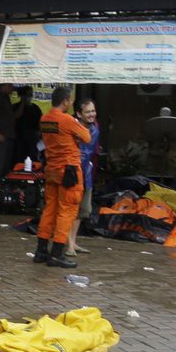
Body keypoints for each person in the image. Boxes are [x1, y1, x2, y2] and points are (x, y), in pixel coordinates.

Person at [31, 85, 91, 269]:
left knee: (50, 210)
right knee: (67, 212)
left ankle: (41, 251)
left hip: (52, 170)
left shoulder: (45, 119)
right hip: (69, 172)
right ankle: (56, 254)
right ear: (65, 101)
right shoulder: (67, 120)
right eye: (70, 101)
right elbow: (87, 137)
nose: (71, 103)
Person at [68, 98, 100, 254]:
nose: (91, 114)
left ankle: (73, 242)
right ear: (79, 114)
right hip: (73, 173)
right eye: (88, 112)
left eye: (93, 111)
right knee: (70, 209)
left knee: (83, 210)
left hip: (86, 174)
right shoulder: (72, 128)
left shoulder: (95, 128)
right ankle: (68, 244)